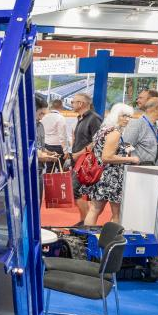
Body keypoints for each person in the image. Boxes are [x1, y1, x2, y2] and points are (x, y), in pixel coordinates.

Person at [83, 103, 139, 226]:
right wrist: (131, 159)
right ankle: (113, 237)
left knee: (94, 209)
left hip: (99, 175)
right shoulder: (115, 132)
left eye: (129, 116)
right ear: (115, 115)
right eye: (123, 116)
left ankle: (86, 235)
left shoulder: (103, 130)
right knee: (116, 214)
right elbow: (107, 157)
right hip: (111, 177)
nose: (127, 119)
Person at [68, 93, 102, 225]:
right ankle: (84, 221)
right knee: (77, 191)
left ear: (81, 103)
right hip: (78, 162)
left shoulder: (94, 119)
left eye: (73, 102)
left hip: (86, 163)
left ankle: (85, 222)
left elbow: (97, 140)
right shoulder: (81, 118)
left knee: (75, 190)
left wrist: (80, 154)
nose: (71, 104)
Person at [122, 96, 158, 165]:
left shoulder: (154, 126)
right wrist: (133, 161)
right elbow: (125, 145)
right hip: (138, 168)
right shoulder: (137, 124)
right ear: (157, 108)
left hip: (150, 168)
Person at [35, 97, 61, 199]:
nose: (41, 117)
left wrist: (49, 153)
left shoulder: (40, 125)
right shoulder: (24, 127)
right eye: (40, 114)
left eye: (44, 114)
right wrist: (46, 157)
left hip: (40, 169)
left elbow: (40, 146)